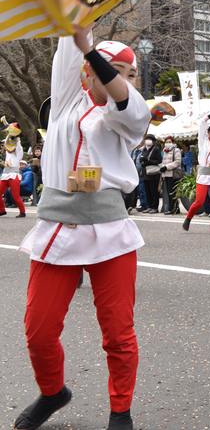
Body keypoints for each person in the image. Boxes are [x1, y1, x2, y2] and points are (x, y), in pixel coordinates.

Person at [15, 23, 150, 430]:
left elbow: (122, 97)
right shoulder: (64, 104)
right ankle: (53, 392)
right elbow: (72, 34)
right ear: (84, 74)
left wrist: (94, 54)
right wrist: (79, 15)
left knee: (118, 333)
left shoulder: (128, 113)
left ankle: (120, 411)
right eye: (114, 69)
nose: (123, 78)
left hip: (110, 231)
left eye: (129, 72)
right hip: (58, 228)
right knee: (38, 332)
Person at [0, 121, 26, 217]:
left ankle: (22, 212)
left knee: (15, 196)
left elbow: (18, 145)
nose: (7, 147)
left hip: (14, 176)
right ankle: (2, 210)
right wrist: (9, 133)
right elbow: (7, 140)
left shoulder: (18, 154)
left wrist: (17, 136)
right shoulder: (8, 153)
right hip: (5, 175)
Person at [159, 136, 182, 215]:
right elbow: (164, 161)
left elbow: (177, 162)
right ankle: (175, 208)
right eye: (166, 142)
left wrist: (166, 167)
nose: (168, 143)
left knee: (172, 193)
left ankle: (172, 209)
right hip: (166, 175)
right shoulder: (165, 151)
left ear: (173, 142)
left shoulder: (176, 150)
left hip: (173, 174)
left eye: (169, 142)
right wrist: (162, 167)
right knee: (169, 192)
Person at [139, 134, 161, 214]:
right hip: (145, 173)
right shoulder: (144, 149)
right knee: (147, 191)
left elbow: (158, 161)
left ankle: (155, 207)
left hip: (153, 173)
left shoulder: (156, 149)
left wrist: (148, 160)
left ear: (153, 141)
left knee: (153, 191)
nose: (147, 140)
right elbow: (142, 160)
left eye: (149, 139)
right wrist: (142, 161)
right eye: (146, 139)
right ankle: (149, 206)